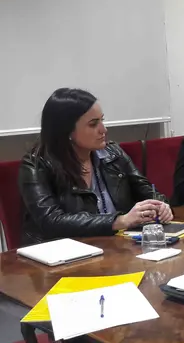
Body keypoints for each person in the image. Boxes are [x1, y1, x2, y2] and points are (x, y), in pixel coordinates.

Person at [18, 88, 173, 245]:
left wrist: (161, 205)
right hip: (63, 254)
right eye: (93, 124)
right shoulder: (36, 165)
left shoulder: (113, 153)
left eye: (102, 120)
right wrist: (120, 221)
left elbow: (146, 190)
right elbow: (52, 221)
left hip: (116, 247)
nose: (104, 130)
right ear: (67, 131)